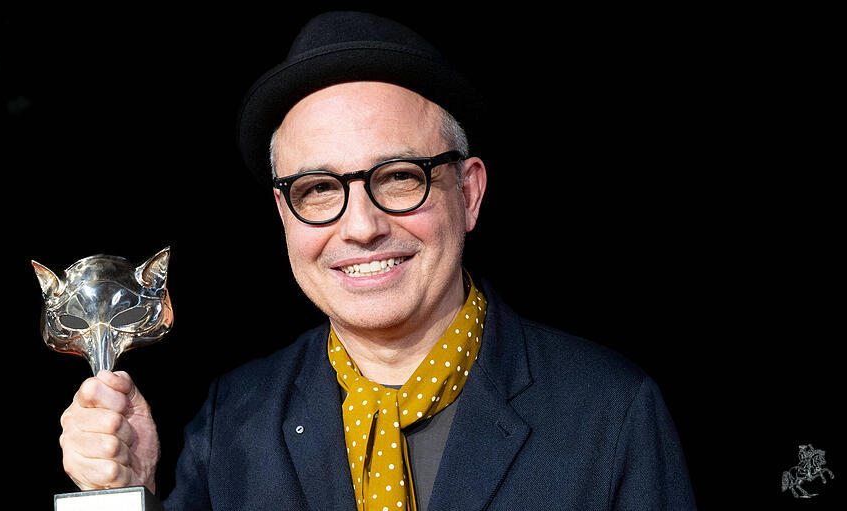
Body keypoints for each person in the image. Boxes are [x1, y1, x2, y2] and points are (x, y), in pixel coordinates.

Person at [58, 11, 697, 510]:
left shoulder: (610, 411)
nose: (361, 227)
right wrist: (125, 493)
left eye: (397, 178)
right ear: (284, 218)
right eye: (318, 190)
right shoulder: (234, 417)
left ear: (469, 194)